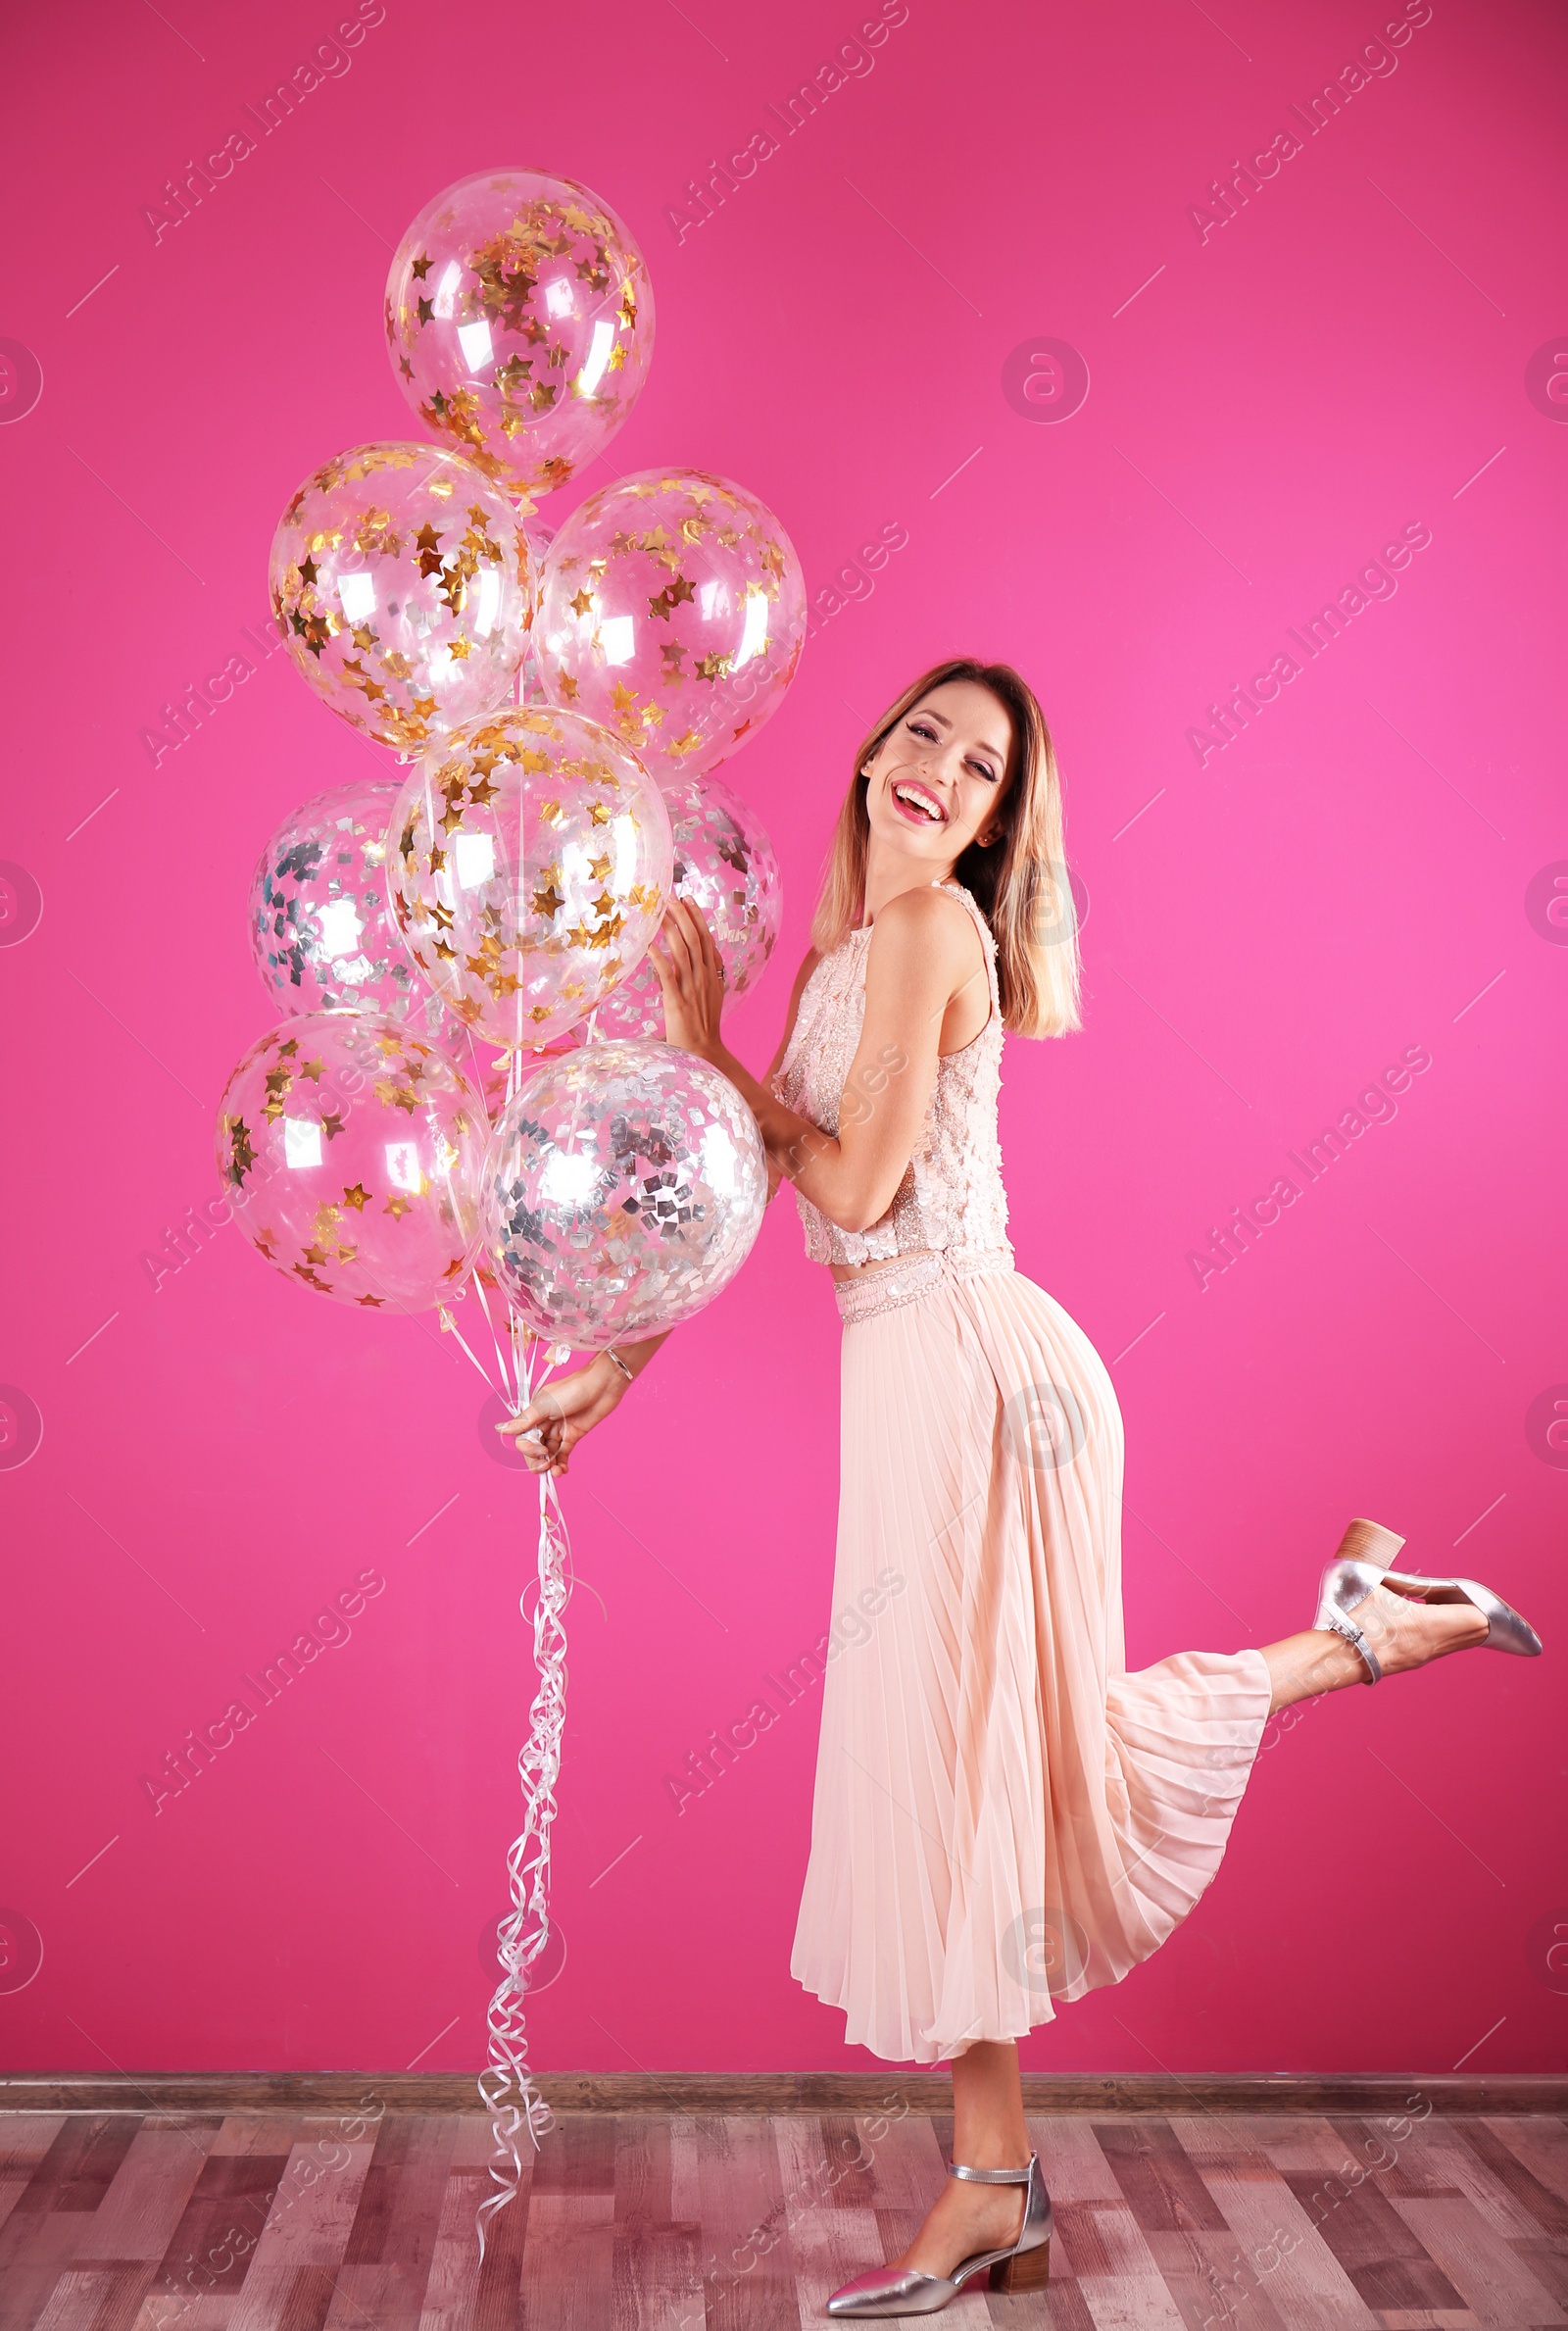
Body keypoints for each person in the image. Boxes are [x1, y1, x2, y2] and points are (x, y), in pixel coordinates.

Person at [498, 658, 1542, 2318]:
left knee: (974, 1774)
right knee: (980, 1775)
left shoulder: (930, 936)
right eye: (924, 734)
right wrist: (607, 1376)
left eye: (977, 771)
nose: (936, 770)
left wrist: (700, 1039)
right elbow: (752, 1195)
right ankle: (1000, 2180)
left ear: (993, 829)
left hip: (984, 1376)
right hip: (911, 1372)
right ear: (869, 753)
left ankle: (1356, 1642)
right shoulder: (848, 957)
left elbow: (852, 1175)